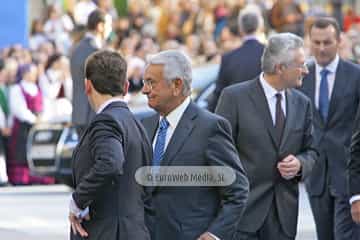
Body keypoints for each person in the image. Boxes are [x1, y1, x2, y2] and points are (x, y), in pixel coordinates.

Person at [216, 33, 317, 240]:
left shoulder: (302, 103)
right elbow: (216, 153)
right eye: (300, 64)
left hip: (284, 219)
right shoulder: (234, 97)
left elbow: (312, 151)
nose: (306, 70)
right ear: (280, 68)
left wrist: (300, 164)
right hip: (242, 218)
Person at [141, 50, 249, 240]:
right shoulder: (145, 125)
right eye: (144, 83)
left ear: (176, 85)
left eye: (151, 83)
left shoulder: (210, 127)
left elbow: (237, 191)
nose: (144, 90)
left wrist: (216, 234)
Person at [69, 50, 151, 240]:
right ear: (126, 86)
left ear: (87, 86)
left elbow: (110, 162)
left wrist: (78, 201)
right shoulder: (137, 124)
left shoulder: (106, 121)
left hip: (109, 232)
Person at [299, 17, 360, 240]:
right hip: (317, 179)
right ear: (309, 42)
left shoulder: (356, 76)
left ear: (339, 40)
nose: (321, 48)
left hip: (348, 178)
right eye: (316, 42)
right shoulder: (302, 78)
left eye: (327, 42)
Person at [7, 63, 54, 185]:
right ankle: (21, 178)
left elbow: (46, 100)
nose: (34, 75)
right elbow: (18, 109)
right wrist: (33, 119)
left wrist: (42, 117)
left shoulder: (37, 87)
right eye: (31, 72)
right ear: (25, 73)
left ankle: (39, 177)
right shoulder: (17, 88)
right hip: (23, 126)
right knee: (21, 152)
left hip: (37, 124)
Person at [208, 11, 264, 112]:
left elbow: (219, 92)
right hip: (263, 115)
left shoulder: (228, 58)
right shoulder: (268, 53)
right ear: (259, 27)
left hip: (236, 116)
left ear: (240, 29)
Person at [70, 9, 112, 136]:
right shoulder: (94, 50)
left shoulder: (77, 48)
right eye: (109, 25)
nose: (111, 29)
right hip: (92, 115)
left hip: (80, 114)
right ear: (100, 26)